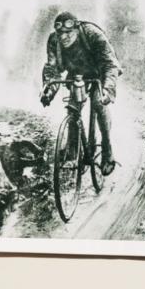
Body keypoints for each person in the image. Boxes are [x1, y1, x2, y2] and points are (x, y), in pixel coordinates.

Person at [40, 11, 122, 175]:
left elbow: (109, 64)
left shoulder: (92, 34)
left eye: (68, 32)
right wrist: (48, 91)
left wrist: (108, 90)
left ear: (77, 29)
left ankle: (107, 149)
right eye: (60, 33)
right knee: (73, 108)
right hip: (77, 75)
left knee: (99, 103)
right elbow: (52, 69)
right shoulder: (54, 40)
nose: (64, 37)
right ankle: (73, 150)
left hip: (99, 73)